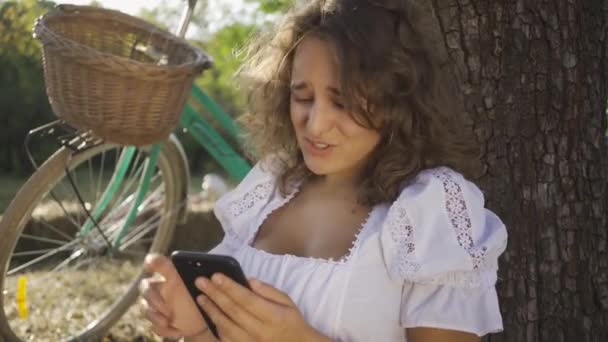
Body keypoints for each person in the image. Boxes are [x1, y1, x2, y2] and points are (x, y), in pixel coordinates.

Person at [140, 0, 508, 341]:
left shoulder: (429, 208)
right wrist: (192, 322)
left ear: (394, 102)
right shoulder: (271, 186)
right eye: (302, 96)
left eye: (342, 102)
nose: (314, 125)